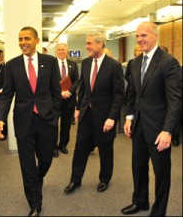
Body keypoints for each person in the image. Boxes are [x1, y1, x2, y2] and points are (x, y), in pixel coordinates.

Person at [0, 26, 61, 216]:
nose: (23, 42)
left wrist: (55, 114)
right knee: (27, 164)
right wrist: (1, 119)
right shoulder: (12, 65)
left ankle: (37, 179)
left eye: (27, 39)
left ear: (36, 40)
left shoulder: (50, 62)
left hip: (46, 119)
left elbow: (56, 91)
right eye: (20, 39)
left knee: (46, 158)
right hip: (23, 119)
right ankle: (34, 203)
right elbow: (7, 94)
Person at [121, 22, 182, 216]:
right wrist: (129, 118)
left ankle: (159, 210)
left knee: (161, 174)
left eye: (144, 35)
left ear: (155, 36)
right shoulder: (135, 62)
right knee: (138, 168)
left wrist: (168, 131)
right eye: (138, 36)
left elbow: (175, 100)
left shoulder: (168, 62)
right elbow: (132, 95)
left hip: (159, 130)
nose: (140, 39)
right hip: (138, 126)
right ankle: (140, 201)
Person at [64, 32, 124, 195]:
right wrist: (78, 108)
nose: (86, 46)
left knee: (105, 150)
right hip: (86, 114)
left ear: (100, 44)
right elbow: (83, 89)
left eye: (89, 43)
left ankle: (104, 179)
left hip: (105, 117)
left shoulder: (113, 66)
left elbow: (119, 94)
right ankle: (75, 180)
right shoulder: (86, 63)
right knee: (80, 148)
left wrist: (112, 117)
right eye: (86, 43)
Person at [53, 43, 79, 158]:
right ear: (56, 51)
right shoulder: (51, 64)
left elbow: (77, 81)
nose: (61, 51)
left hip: (69, 99)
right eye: (59, 50)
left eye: (63, 49)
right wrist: (60, 93)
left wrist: (69, 92)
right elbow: (49, 82)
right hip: (55, 100)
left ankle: (63, 145)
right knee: (53, 124)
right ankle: (53, 147)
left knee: (66, 124)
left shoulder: (73, 64)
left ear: (67, 51)